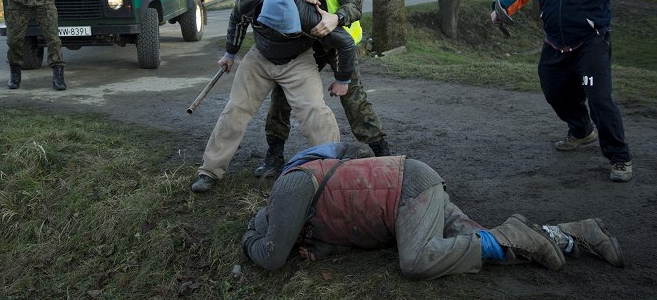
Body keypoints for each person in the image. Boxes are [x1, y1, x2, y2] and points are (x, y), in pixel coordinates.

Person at [242, 141, 625, 278]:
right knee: (484, 244)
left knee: (419, 260)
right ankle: (577, 233)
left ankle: (517, 233)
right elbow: (351, 220)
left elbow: (272, 257)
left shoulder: (288, 188)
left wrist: (250, 238)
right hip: (413, 190)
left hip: (409, 190)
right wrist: (324, 247)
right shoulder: (309, 208)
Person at [491, 0, 657, 182]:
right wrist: (502, 7)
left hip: (591, 41)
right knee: (554, 91)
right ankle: (582, 131)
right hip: (555, 41)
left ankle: (619, 158)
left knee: (600, 99)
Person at [190, 0, 356, 193]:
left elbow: (346, 43)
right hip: (260, 57)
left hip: (297, 61)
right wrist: (230, 53)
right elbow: (237, 20)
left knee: (314, 110)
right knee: (235, 109)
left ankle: (332, 168)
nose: (284, 35)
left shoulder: (309, 15)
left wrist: (343, 80)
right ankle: (210, 171)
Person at [256, 0, 388, 178]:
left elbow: (355, 5)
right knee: (282, 95)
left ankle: (382, 152)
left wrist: (334, 18)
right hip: (302, 41)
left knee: (354, 98)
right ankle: (274, 154)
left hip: (337, 41)